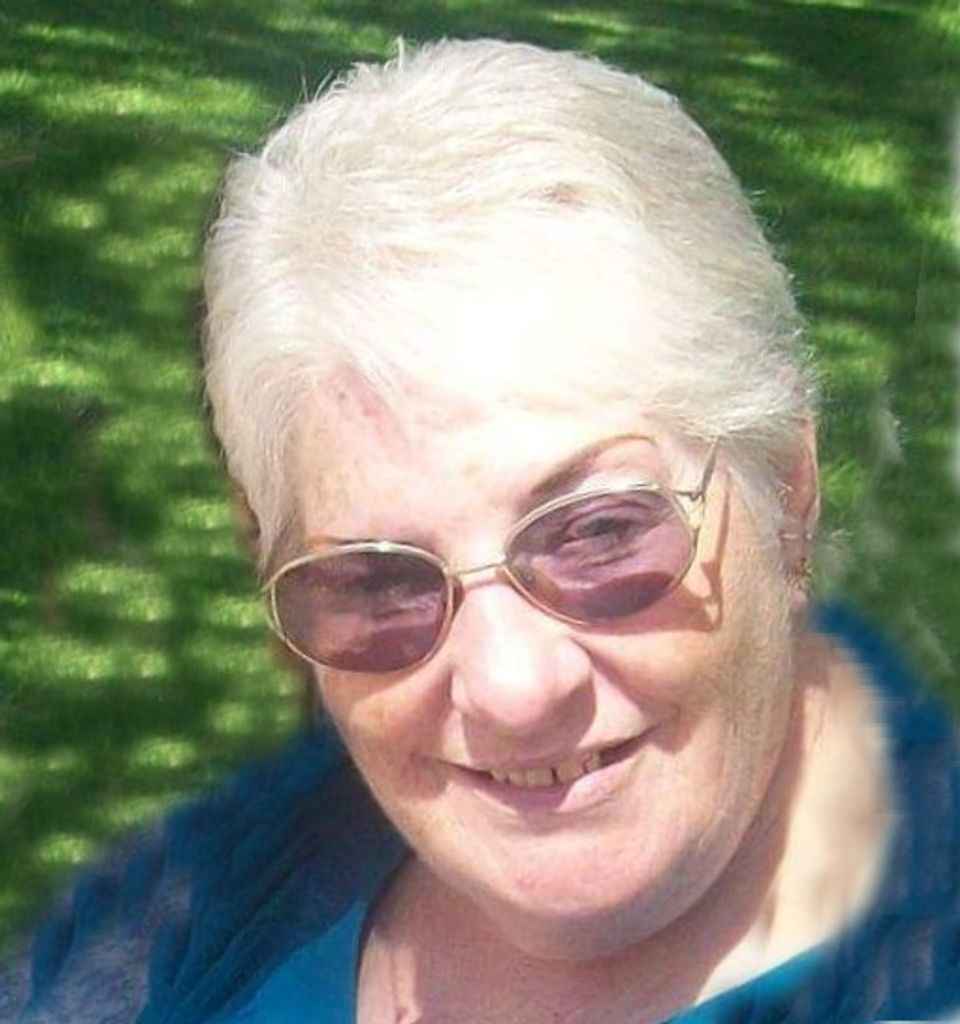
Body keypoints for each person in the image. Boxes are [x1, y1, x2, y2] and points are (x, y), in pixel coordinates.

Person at [3, 38, 960, 1024]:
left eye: (598, 534)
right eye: (381, 583)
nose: (511, 689)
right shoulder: (199, 910)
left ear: (787, 492)